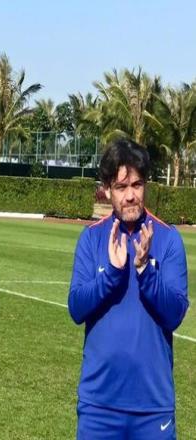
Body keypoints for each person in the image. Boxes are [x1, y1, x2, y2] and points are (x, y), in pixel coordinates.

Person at [68, 139, 189, 439]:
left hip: (152, 408)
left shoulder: (168, 238)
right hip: (99, 406)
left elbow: (175, 314)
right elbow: (76, 308)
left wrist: (145, 269)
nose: (131, 195)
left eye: (137, 185)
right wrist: (111, 274)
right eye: (121, 187)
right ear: (107, 190)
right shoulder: (91, 238)